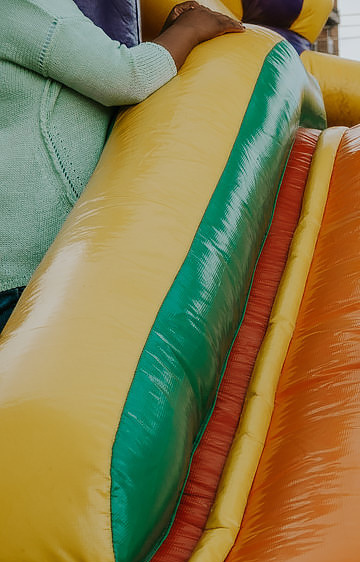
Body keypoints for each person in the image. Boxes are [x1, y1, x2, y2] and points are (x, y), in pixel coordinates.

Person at [0, 0, 243, 334]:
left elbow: (81, 72)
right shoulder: (27, 6)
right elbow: (125, 77)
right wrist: (190, 29)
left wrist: (166, 39)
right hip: (34, 258)